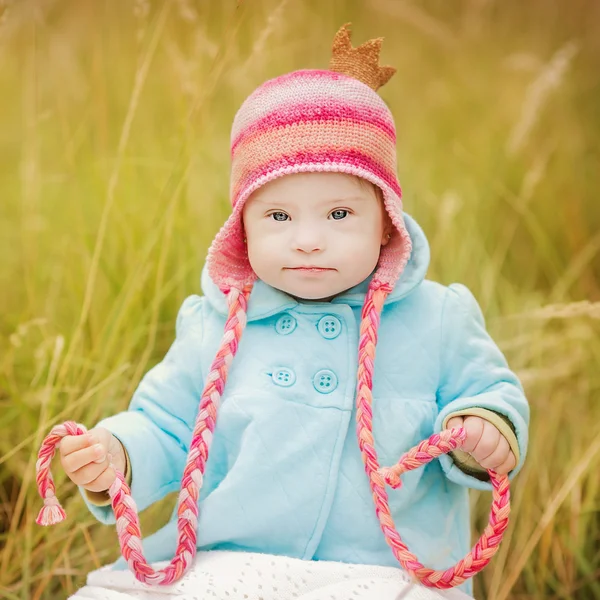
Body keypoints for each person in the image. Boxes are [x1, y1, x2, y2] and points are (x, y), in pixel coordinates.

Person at [58, 23, 529, 600]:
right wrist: (117, 456)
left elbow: (491, 392)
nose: (308, 240)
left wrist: (486, 431)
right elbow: (167, 424)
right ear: (242, 227)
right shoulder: (216, 322)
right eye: (278, 217)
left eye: (338, 214)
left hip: (387, 572)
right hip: (229, 564)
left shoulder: (437, 317)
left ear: (386, 220)